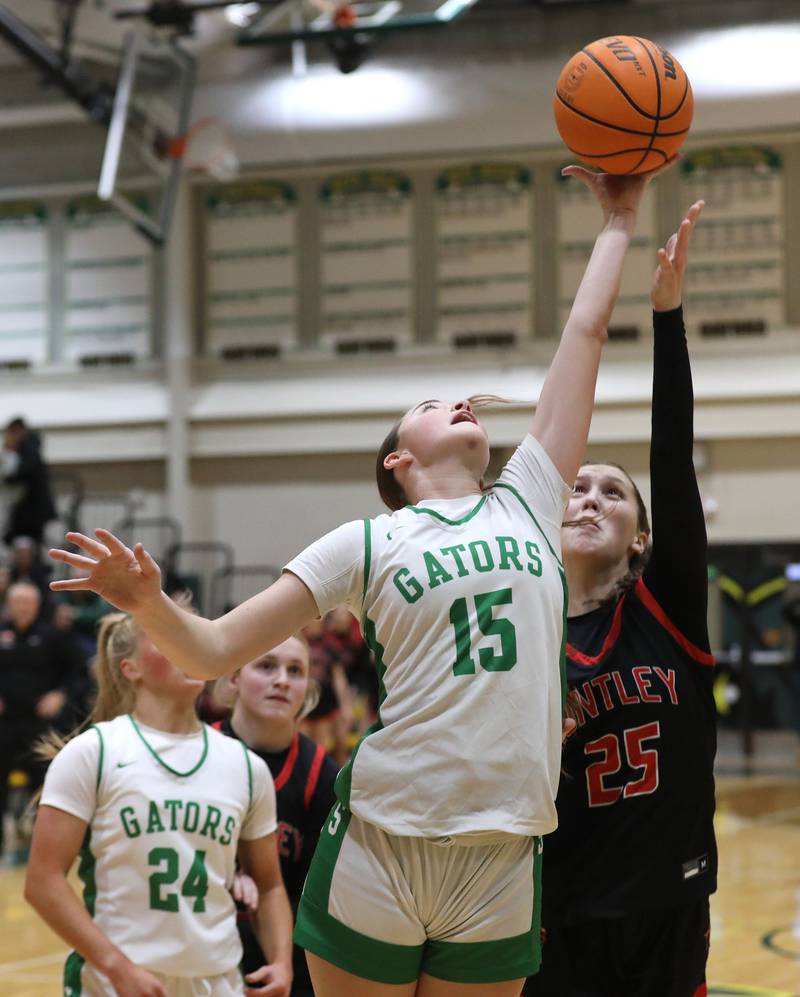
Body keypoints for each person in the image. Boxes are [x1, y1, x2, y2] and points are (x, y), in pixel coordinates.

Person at [49, 161, 672, 997]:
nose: (459, 402)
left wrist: (618, 221)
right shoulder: (367, 541)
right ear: (399, 458)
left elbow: (586, 335)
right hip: (385, 837)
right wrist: (144, 600)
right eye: (431, 402)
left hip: (506, 845)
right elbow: (211, 652)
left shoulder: (528, 500)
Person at [525, 201, 715, 997]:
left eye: (613, 492)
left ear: (642, 535)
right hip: (556, 909)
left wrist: (665, 318)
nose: (591, 497)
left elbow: (670, 459)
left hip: (667, 898)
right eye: (576, 487)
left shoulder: (666, 606)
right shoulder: (524, 634)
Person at [24, 608, 294, 997]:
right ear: (130, 667)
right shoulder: (94, 752)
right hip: (115, 981)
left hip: (218, 981)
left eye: (193, 634)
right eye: (168, 635)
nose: (187, 645)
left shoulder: (246, 767)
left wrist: (281, 962)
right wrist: (116, 967)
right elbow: (42, 881)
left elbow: (269, 886)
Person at [214, 635, 338, 997]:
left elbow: (317, 896)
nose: (282, 680)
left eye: (295, 671)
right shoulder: (197, 754)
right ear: (234, 678)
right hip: (204, 942)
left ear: (307, 690)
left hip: (286, 956)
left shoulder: (322, 775)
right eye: (266, 666)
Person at [0, 581, 89, 853]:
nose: (23, 607)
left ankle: (45, 847)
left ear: (37, 606)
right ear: (9, 604)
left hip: (40, 724)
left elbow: (78, 672)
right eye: (18, 601)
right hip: (4, 724)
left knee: (48, 782)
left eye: (28, 601)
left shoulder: (53, 636)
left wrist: (59, 695)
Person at [2, 417, 56, 547]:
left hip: (32, 506)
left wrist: (9, 478)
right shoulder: (29, 447)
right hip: (31, 505)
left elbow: (25, 470)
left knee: (26, 539)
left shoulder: (29, 448)